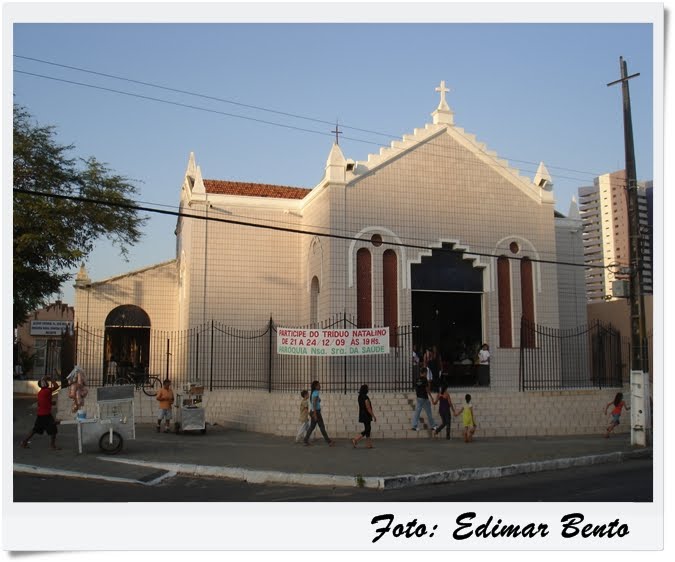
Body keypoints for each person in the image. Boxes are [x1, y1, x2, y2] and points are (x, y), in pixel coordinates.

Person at [20, 376, 61, 450]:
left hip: (41, 414)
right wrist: (51, 378)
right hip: (46, 415)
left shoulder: (41, 392)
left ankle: (24, 442)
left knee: (35, 430)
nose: (47, 383)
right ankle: (52, 446)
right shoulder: (47, 391)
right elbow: (56, 386)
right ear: (44, 384)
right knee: (53, 430)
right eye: (46, 382)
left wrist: (50, 403)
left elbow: (41, 403)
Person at [304, 380, 335, 446]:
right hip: (316, 412)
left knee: (312, 427)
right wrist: (315, 414)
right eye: (318, 385)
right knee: (322, 427)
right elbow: (314, 403)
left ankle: (305, 440)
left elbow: (314, 401)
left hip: (312, 411)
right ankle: (329, 441)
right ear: (315, 386)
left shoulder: (313, 393)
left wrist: (318, 399)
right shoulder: (316, 393)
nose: (320, 386)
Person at [411, 367, 437, 432]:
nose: (426, 374)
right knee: (429, 412)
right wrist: (431, 397)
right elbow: (427, 389)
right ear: (425, 372)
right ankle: (433, 425)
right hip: (424, 398)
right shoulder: (425, 379)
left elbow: (416, 388)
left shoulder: (417, 379)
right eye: (426, 373)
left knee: (417, 412)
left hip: (419, 398)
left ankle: (414, 426)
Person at [352, 384, 376, 448]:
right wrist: (373, 415)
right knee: (367, 429)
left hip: (362, 414)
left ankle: (368, 444)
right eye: (367, 389)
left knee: (368, 428)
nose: (368, 390)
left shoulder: (359, 397)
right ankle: (356, 439)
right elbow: (368, 407)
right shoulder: (365, 397)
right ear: (365, 390)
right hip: (366, 415)